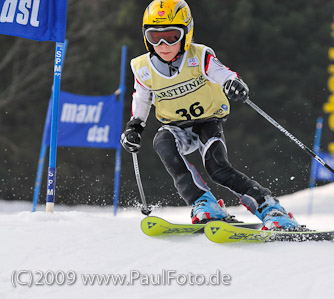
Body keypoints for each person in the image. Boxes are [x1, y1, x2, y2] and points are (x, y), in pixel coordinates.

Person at [121, 0, 300, 231]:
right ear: (146, 38)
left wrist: (233, 83)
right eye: (155, 37)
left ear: (186, 34)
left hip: (207, 122)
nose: (164, 45)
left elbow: (221, 72)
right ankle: (203, 202)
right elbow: (142, 97)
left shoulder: (199, 56)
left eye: (172, 36)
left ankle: (269, 207)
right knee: (162, 142)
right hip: (175, 127)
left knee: (218, 169)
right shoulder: (142, 67)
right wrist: (135, 127)